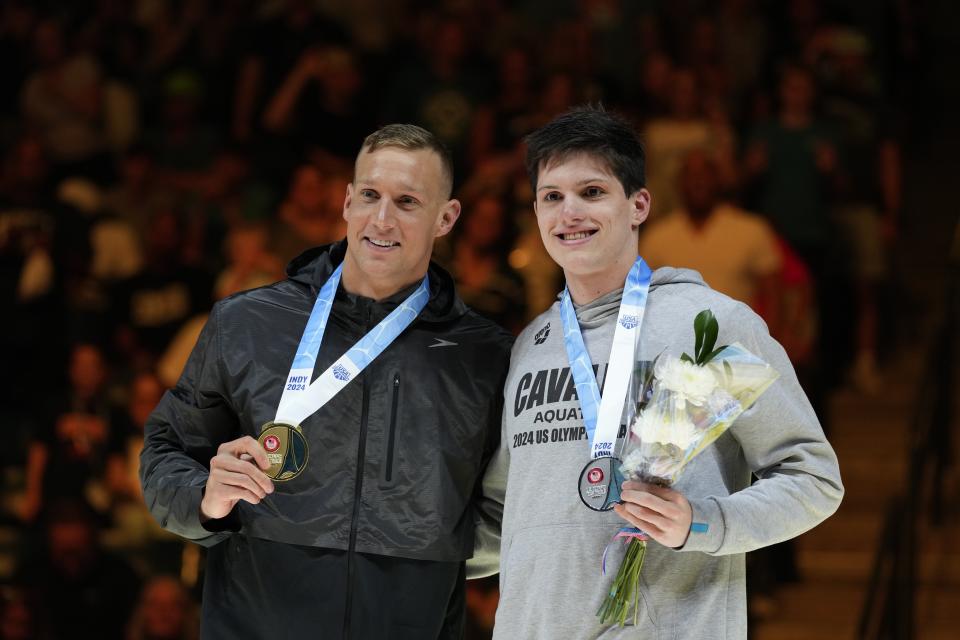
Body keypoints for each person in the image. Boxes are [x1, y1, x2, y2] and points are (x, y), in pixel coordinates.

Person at [471, 107, 843, 638]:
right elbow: (506, 516)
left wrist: (704, 521)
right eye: (552, 197)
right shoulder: (530, 346)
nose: (569, 212)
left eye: (592, 192)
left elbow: (813, 479)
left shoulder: (711, 323)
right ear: (535, 213)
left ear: (639, 204)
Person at [140, 124, 513, 639]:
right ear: (345, 201)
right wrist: (205, 496)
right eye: (369, 195)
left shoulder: (485, 356)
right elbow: (165, 450)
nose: (382, 219)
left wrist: (434, 557)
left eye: (407, 201)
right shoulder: (248, 324)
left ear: (446, 217)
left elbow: (504, 505)